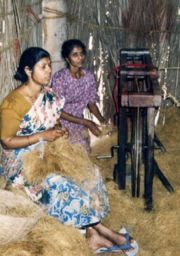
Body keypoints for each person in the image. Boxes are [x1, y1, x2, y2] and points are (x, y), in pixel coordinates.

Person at [0, 47, 136, 254]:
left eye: (49, 66)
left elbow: (50, 122)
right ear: (28, 71)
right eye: (43, 67)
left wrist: (56, 131)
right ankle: (101, 234)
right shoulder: (13, 102)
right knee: (59, 183)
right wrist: (40, 137)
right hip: (23, 163)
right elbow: (6, 140)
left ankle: (95, 233)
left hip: (48, 153)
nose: (48, 71)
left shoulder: (49, 96)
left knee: (90, 174)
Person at [52, 39, 106, 151]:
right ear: (67, 58)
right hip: (60, 123)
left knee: (85, 153)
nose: (80, 57)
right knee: (69, 155)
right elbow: (57, 111)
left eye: (81, 54)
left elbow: (91, 103)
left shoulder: (88, 76)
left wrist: (102, 121)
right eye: (75, 55)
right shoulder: (60, 78)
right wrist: (87, 122)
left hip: (79, 122)